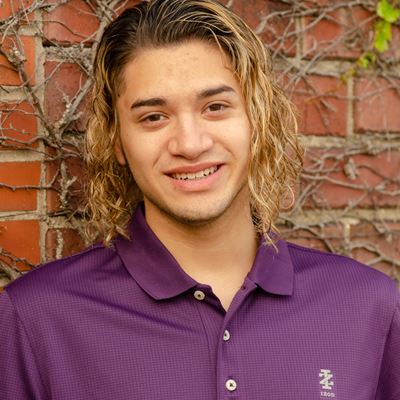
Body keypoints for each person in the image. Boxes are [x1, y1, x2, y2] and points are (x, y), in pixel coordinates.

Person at [0, 0, 398, 398]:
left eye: (216, 107)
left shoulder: (368, 306)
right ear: (117, 140)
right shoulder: (37, 319)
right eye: (153, 117)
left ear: (258, 120)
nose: (190, 144)